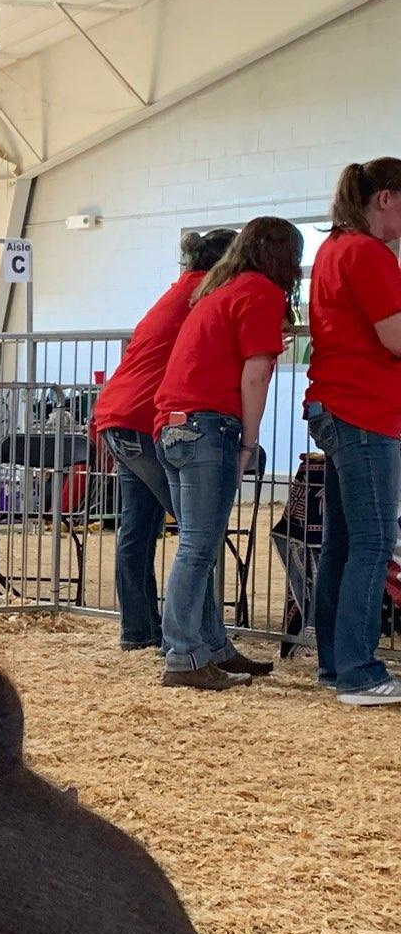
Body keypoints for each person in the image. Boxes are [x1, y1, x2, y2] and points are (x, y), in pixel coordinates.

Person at [152, 217, 302, 692]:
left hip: (173, 424)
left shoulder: (220, 289)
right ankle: (182, 655)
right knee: (198, 545)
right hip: (208, 424)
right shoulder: (260, 292)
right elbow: (254, 375)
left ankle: (212, 647)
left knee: (201, 543)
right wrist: (249, 442)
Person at [92, 228, 243, 655]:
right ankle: (197, 642)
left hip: (119, 415)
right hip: (143, 418)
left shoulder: (179, 291)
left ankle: (140, 631)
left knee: (138, 529)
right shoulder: (207, 297)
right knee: (198, 534)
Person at [302, 156, 401, 706]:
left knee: (345, 542)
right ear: (385, 198)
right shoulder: (370, 253)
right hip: (363, 409)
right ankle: (360, 672)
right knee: (373, 540)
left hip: (339, 405)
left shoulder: (335, 249)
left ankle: (338, 664)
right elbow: (394, 337)